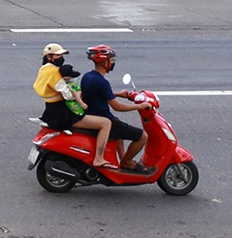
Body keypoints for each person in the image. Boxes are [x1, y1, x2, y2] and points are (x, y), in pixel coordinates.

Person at [33, 42, 114, 167]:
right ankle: (99, 158)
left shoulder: (43, 69)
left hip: (50, 111)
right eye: (57, 56)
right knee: (106, 123)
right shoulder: (53, 72)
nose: (61, 58)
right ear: (49, 57)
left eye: (62, 55)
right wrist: (79, 96)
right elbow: (68, 95)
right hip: (63, 113)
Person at [80, 44, 148, 172]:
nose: (112, 63)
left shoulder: (88, 76)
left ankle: (122, 159)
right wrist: (140, 106)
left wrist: (117, 94)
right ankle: (127, 162)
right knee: (142, 136)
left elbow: (94, 94)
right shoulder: (102, 82)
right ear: (104, 61)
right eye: (111, 60)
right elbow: (117, 107)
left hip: (92, 114)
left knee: (119, 130)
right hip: (101, 117)